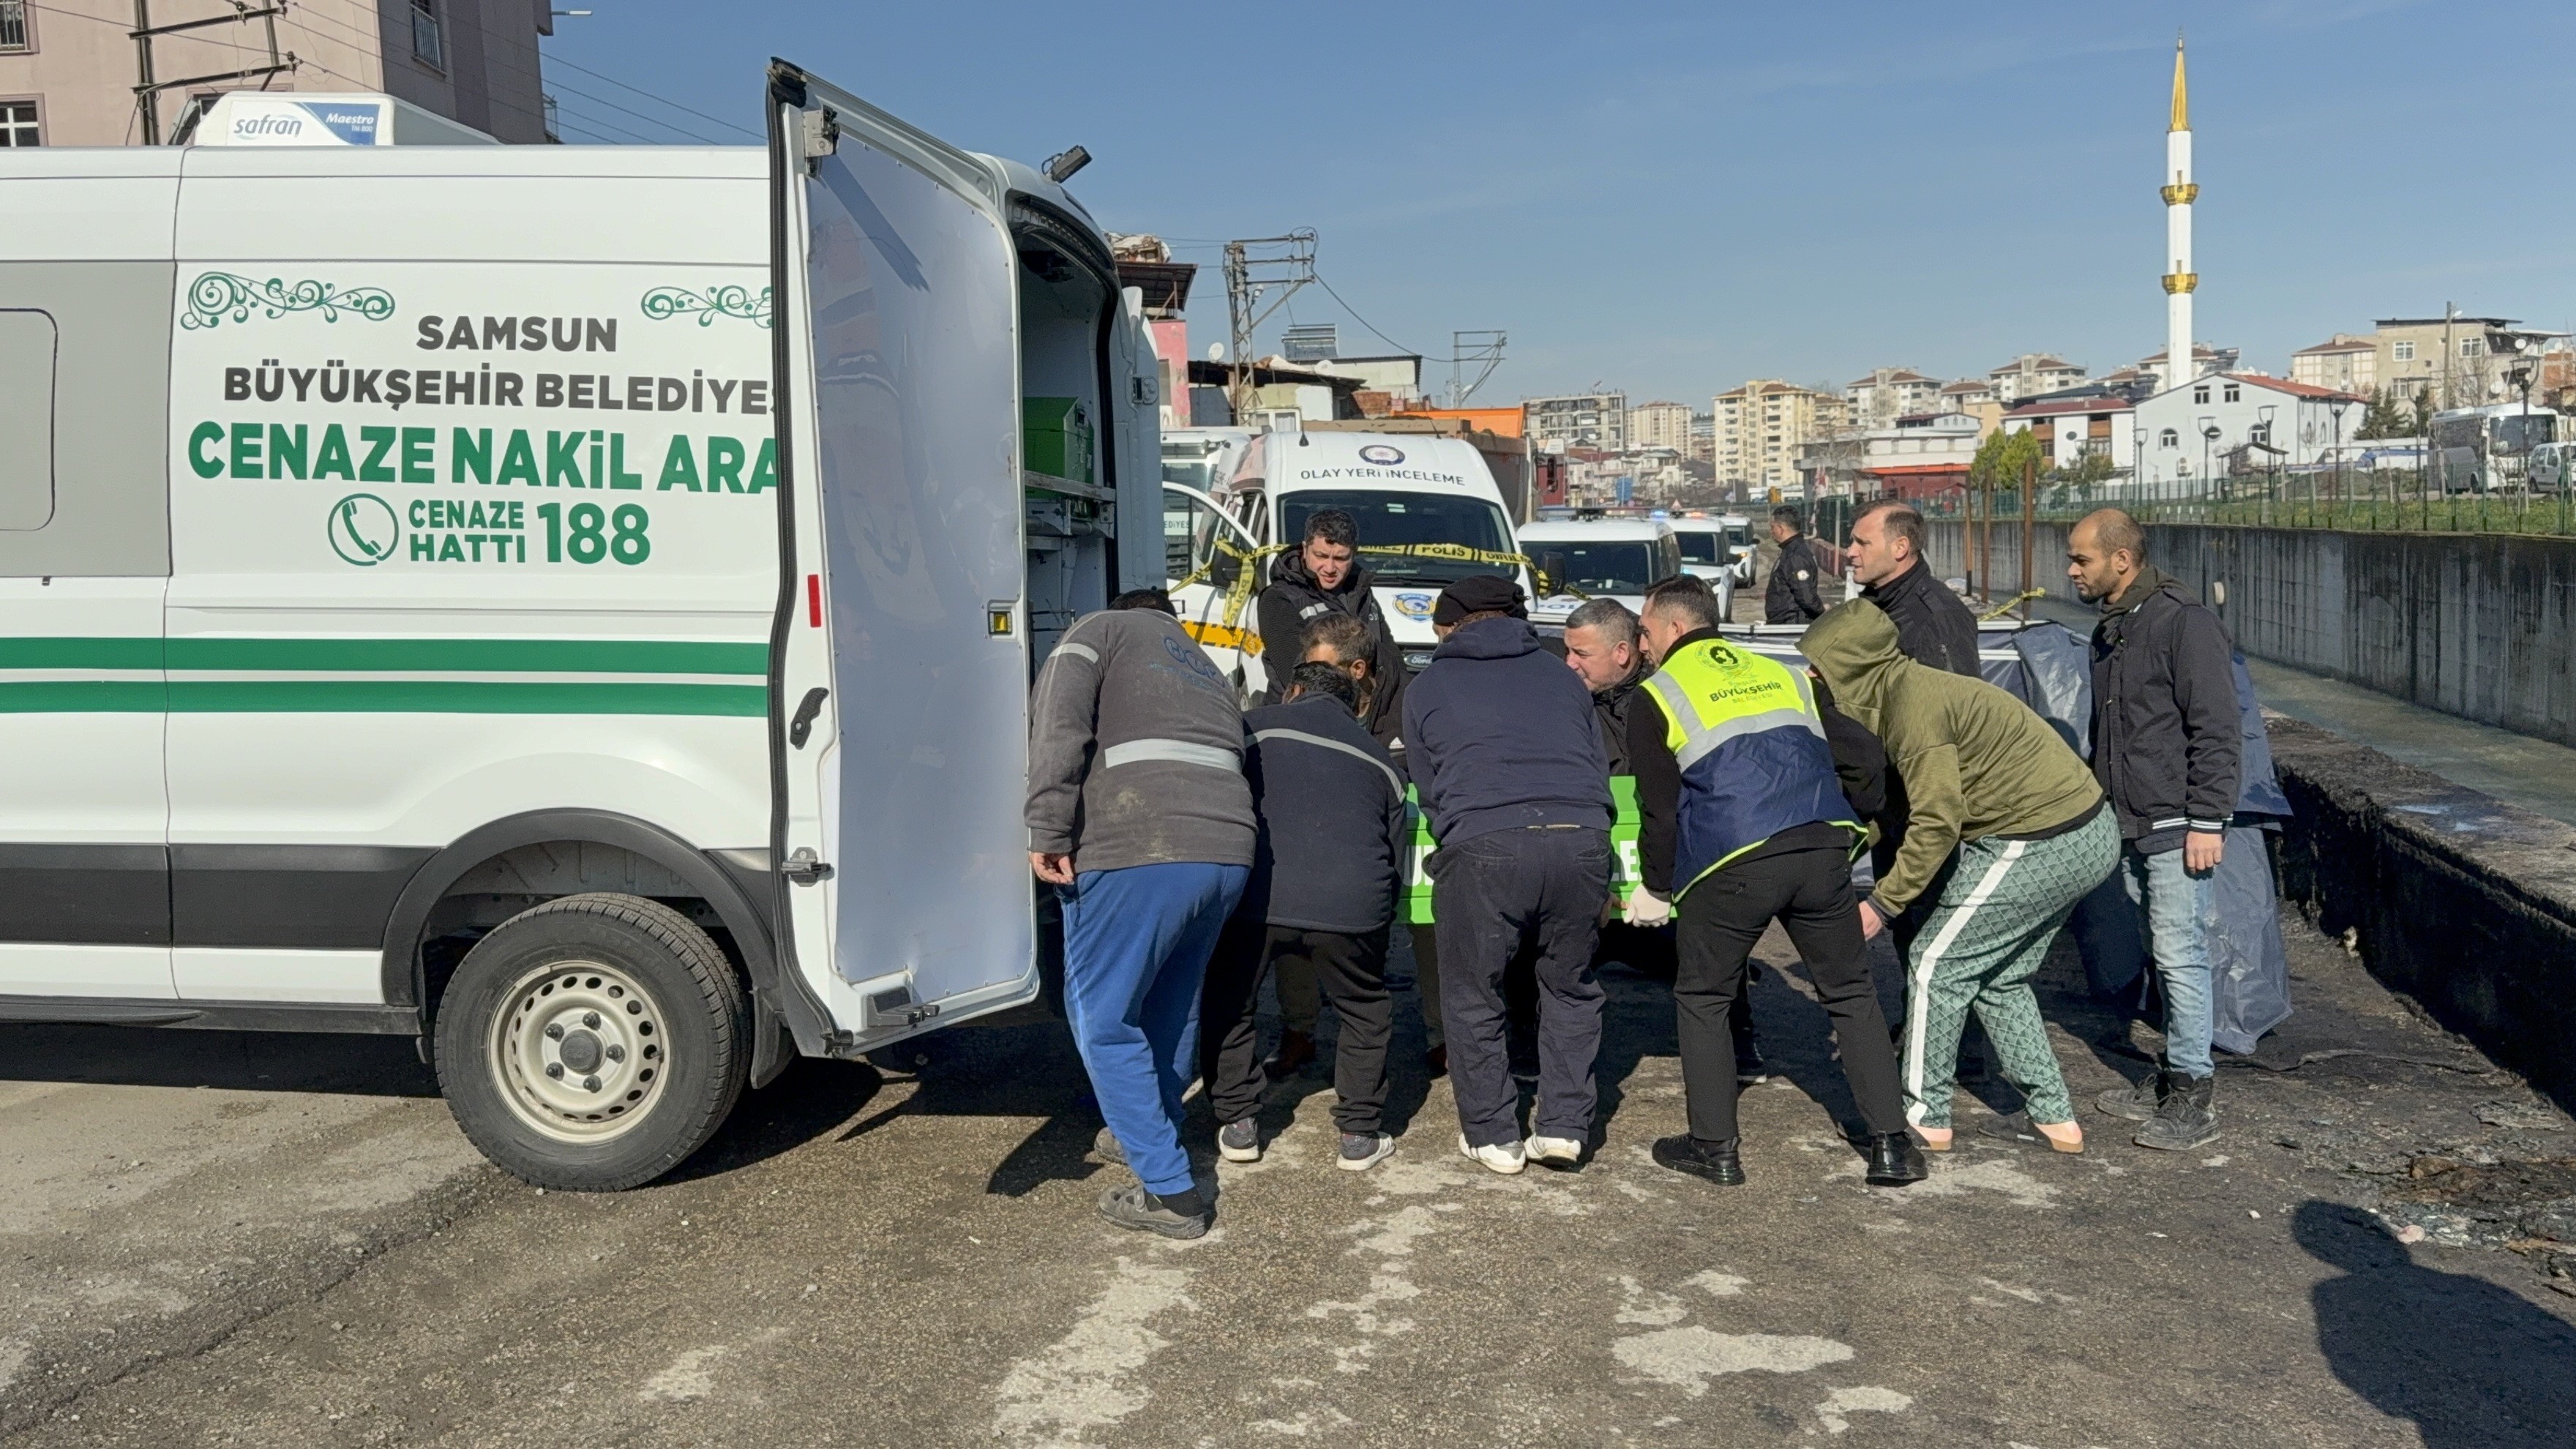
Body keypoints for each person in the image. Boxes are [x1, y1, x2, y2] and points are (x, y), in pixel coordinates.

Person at [1623, 580, 1925, 1189]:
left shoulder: (1657, 696)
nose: (1642, 644)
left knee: (1704, 996)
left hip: (1732, 859)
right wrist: (1855, 809)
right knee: (1850, 992)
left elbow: (1659, 809)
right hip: (1820, 846)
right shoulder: (1786, 674)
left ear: (1676, 630)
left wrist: (1656, 889)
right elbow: (1863, 753)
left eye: (1646, 632)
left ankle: (1714, 1148)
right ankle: (1891, 1145)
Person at [1801, 600, 2118, 1154]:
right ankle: (2053, 1120)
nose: (1811, 674)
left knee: (1934, 964)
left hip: (2041, 839)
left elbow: (1937, 822)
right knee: (2000, 978)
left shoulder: (1914, 709)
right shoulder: (1905, 690)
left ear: (1851, 666)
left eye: (1820, 664)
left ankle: (1922, 1116)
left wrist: (1882, 905)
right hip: (2086, 833)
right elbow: (1897, 812)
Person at [1026, 589, 1256, 1239]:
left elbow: (1059, 728)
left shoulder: (1096, 630)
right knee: (1172, 1006)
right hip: (1227, 851)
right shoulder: (1204, 664)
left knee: (1103, 1020)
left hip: (1138, 845)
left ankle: (1171, 1193)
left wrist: (1047, 826)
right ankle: (1151, 1133)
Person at [1402, 574, 1612, 1175]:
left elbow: (1428, 785)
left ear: (1448, 626)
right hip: (1581, 839)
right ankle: (1565, 1128)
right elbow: (1595, 765)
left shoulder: (1429, 685)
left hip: (1485, 841)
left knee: (1473, 992)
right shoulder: (1559, 675)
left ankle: (1494, 1134)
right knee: (1570, 987)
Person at [2067, 509, 2241, 1151]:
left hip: (2176, 822)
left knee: (2180, 953)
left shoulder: (2183, 622)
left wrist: (2208, 820)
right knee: (2156, 950)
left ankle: (2195, 1094)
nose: (2072, 569)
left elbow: (2218, 728)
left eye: (2081, 558)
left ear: (2121, 559)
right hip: (2129, 820)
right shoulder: (2115, 628)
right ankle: (2170, 1074)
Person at [1199, 662, 1410, 1172]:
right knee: (1364, 1007)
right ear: (1355, 705)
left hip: (1260, 897)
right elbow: (1396, 851)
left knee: (1231, 1001)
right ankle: (1358, 1133)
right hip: (1352, 902)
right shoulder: (1380, 758)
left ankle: (1239, 1122)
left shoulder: (1251, 729)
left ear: (1292, 691)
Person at [1564, 591, 1767, 1079]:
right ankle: (1542, 1050)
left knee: (1712, 942)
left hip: (1671, 852)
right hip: (1598, 860)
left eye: (1581, 655)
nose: (1568, 664)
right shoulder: (1565, 701)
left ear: (1622, 652)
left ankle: (1739, 1047)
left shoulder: (1666, 694)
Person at [1257, 507, 1407, 734]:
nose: (1329, 568)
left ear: (1353, 555)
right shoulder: (1278, 598)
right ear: (1305, 549)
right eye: (1321, 556)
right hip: (1301, 723)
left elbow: (1389, 657)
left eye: (1340, 559)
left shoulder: (1361, 592)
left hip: (1371, 721)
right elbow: (1301, 673)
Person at [1844, 500, 1979, 677]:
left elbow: (1958, 699)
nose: (1850, 552)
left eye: (1862, 543)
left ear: (1900, 548)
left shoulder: (1937, 618)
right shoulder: (1877, 603)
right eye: (1852, 542)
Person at [1763, 505, 1830, 626]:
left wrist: (1822, 611)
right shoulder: (1791, 551)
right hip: (1784, 624)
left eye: (1772, 527)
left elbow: (1805, 594)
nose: (1771, 532)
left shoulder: (1796, 555)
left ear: (1781, 529)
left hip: (1791, 625)